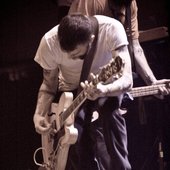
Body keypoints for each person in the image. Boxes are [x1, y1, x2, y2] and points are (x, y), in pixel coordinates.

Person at [33, 14, 133, 170]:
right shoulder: (48, 43)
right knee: (77, 145)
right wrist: (39, 113)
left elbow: (127, 80)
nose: (71, 59)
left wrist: (104, 90)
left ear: (91, 40)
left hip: (106, 86)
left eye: (77, 55)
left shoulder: (112, 29)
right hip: (71, 94)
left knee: (110, 114)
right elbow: (48, 84)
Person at [69, 0, 170, 94]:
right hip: (76, 75)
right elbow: (79, 46)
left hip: (104, 75)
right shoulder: (91, 2)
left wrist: (152, 81)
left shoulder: (130, 4)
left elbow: (135, 47)